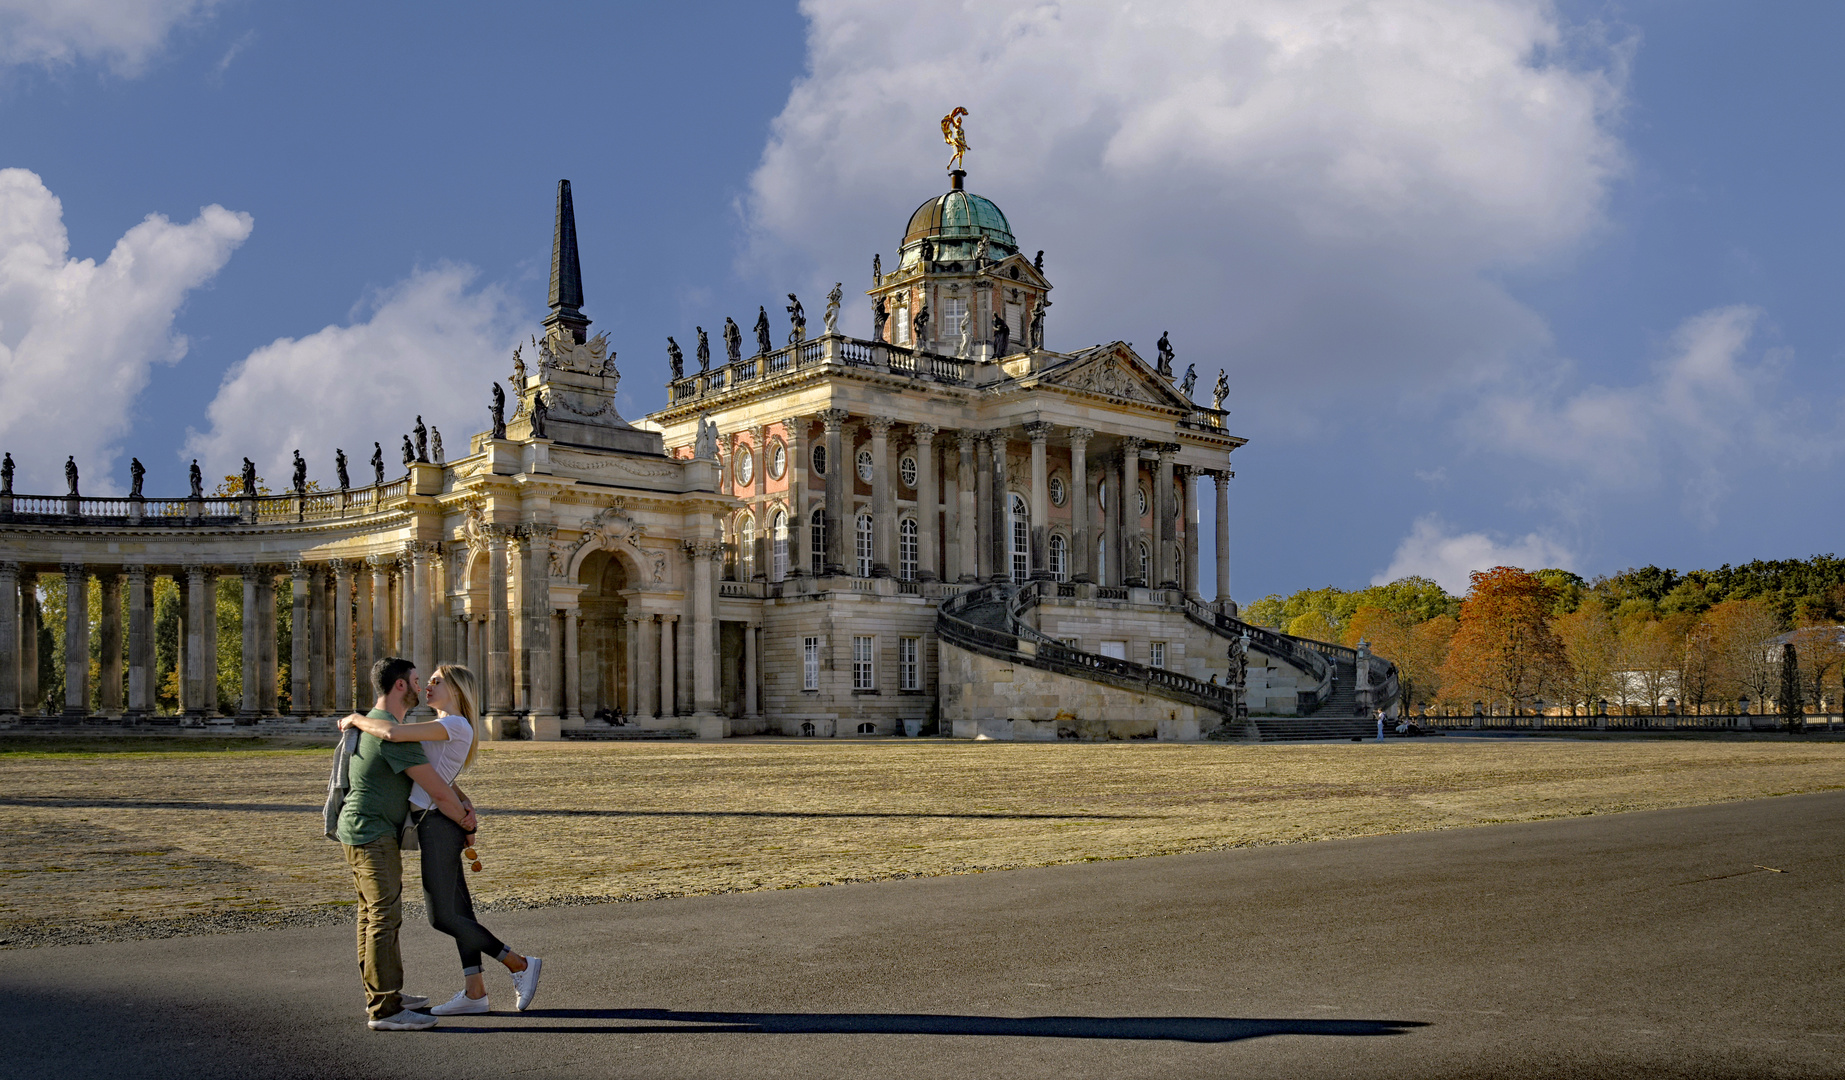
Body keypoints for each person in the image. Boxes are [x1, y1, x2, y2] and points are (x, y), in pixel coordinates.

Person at [342, 664, 543, 1016]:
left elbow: (390, 732)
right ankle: (475, 992)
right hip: (437, 822)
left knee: (443, 917)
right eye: (427, 681)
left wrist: (357, 719)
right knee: (460, 911)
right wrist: (464, 805)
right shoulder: (446, 726)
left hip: (438, 824)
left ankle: (519, 963)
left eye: (437, 682)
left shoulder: (452, 723)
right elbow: (436, 772)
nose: (428, 687)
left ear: (457, 690)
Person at [335, 657, 470, 1031]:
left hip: (360, 829)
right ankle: (386, 1010)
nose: (421, 687)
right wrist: (466, 821)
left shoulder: (378, 726)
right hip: (372, 833)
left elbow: (434, 776)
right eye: (415, 680)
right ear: (400, 686)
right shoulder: (391, 732)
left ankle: (382, 994)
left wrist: (463, 799)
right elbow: (438, 792)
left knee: (370, 915)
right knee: (384, 916)